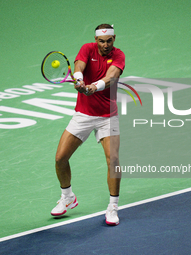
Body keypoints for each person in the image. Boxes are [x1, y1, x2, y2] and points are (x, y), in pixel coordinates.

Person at [50, 24, 125, 226]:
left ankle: (113, 207)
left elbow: (111, 77)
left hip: (108, 116)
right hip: (83, 114)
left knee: (113, 160)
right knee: (60, 158)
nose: (105, 45)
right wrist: (79, 79)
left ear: (114, 39)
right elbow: (79, 66)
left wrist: (94, 86)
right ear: (96, 40)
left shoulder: (119, 56)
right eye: (101, 41)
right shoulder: (87, 48)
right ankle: (67, 197)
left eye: (109, 40)